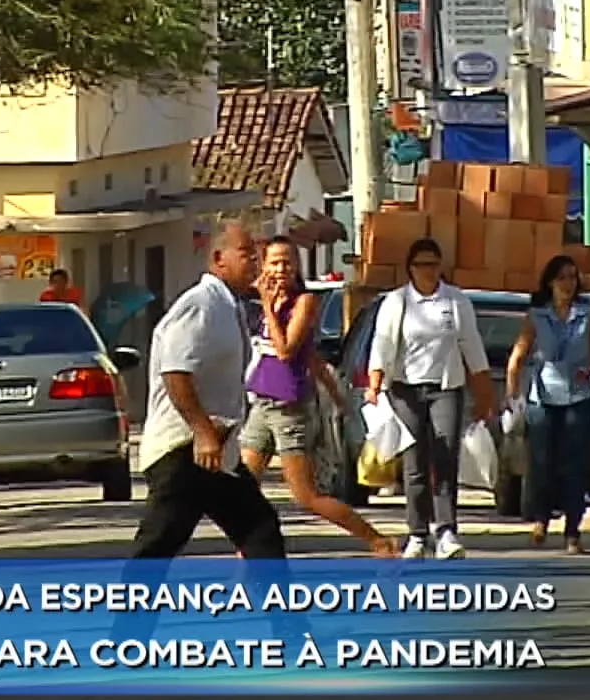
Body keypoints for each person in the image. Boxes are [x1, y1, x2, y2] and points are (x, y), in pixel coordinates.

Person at [131, 220, 288, 559]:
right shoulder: (200, 304)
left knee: (261, 530)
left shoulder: (228, 305)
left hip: (219, 454)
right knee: (157, 547)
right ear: (219, 258)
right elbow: (175, 371)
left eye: (256, 256)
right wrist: (201, 431)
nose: (254, 264)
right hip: (184, 451)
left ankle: (285, 613)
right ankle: (130, 613)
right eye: (246, 254)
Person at [240, 236, 397, 556]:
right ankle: (249, 550)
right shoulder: (272, 302)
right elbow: (310, 356)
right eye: (274, 262)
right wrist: (335, 393)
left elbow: (286, 351)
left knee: (306, 495)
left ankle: (378, 540)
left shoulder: (303, 302)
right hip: (261, 402)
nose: (280, 268)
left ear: (296, 266)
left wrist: (269, 307)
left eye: (287, 262)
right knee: (241, 487)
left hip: (289, 408)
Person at [364, 237, 497, 560]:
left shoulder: (455, 301)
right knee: (414, 464)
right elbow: (382, 346)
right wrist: (375, 384)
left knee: (445, 456)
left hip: (445, 388)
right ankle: (417, 533)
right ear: (411, 268)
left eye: (434, 264)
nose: (429, 271)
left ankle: (447, 530)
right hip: (405, 389)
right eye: (423, 265)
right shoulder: (397, 302)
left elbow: (472, 346)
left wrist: (484, 393)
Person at [505, 254, 590, 553]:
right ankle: (541, 519)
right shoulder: (537, 316)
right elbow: (518, 356)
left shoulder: (587, 314)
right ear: (550, 283)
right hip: (543, 398)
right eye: (562, 278)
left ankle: (573, 531)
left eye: (573, 277)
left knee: (574, 465)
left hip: (578, 396)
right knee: (542, 463)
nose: (568, 284)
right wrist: (513, 394)